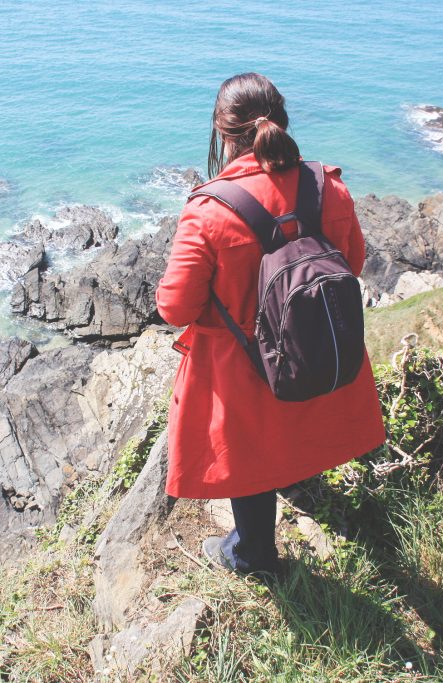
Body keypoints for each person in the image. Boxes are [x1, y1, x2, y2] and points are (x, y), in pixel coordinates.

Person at [155, 72, 386, 576]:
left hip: (242, 368)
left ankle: (253, 554)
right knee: (290, 432)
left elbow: (174, 308)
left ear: (222, 133)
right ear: (281, 120)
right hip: (314, 351)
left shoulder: (209, 210)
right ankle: (299, 483)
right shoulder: (329, 186)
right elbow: (354, 262)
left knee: (250, 452)